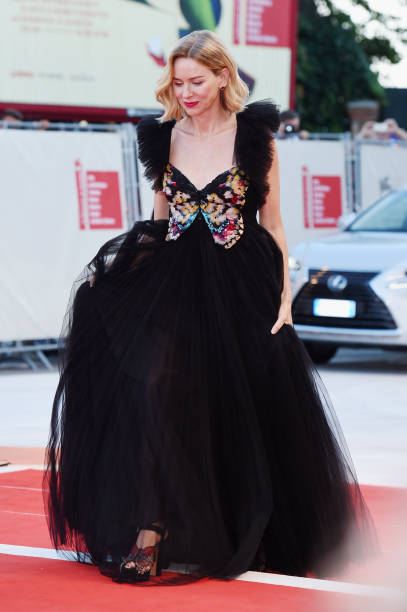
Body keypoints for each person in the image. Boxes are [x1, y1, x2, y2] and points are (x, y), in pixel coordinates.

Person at [44, 30, 376, 586]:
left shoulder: (255, 138)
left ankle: (240, 526)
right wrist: (115, 274)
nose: (187, 91)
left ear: (225, 77)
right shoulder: (164, 137)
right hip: (171, 282)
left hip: (239, 283)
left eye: (196, 81)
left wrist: (284, 298)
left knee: (231, 402)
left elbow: (272, 226)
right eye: (178, 83)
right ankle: (150, 528)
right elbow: (156, 222)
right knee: (154, 387)